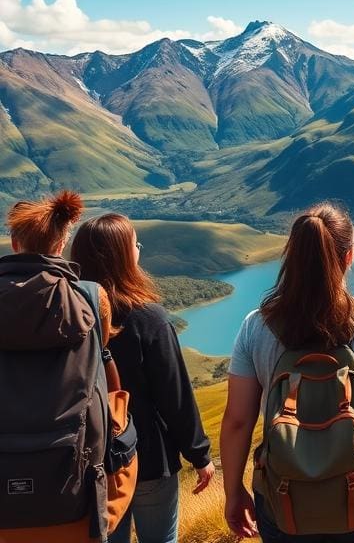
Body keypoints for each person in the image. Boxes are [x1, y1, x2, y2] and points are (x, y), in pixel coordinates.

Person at [220, 202, 354, 542]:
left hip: (282, 494)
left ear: (293, 257)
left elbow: (237, 420)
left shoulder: (256, 327)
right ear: (349, 256)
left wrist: (233, 490)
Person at [71, 213, 215, 543]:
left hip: (89, 462)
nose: (139, 249)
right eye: (135, 244)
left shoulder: (68, 318)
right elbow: (175, 396)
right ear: (123, 255)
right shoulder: (149, 319)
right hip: (149, 460)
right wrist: (200, 456)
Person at [0, 191, 113, 541]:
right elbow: (100, 352)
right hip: (74, 489)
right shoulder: (92, 299)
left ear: (15, 242)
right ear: (62, 242)